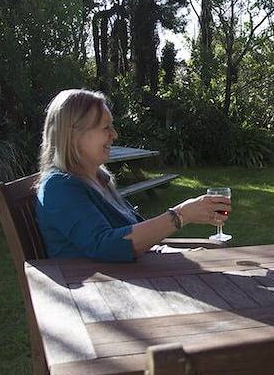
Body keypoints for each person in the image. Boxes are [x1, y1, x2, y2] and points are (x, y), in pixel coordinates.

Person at [36, 89, 230, 261]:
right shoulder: (58, 188)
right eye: (106, 128)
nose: (114, 135)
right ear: (73, 135)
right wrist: (181, 215)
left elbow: (133, 230)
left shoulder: (97, 178)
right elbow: (106, 246)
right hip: (106, 288)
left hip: (134, 273)